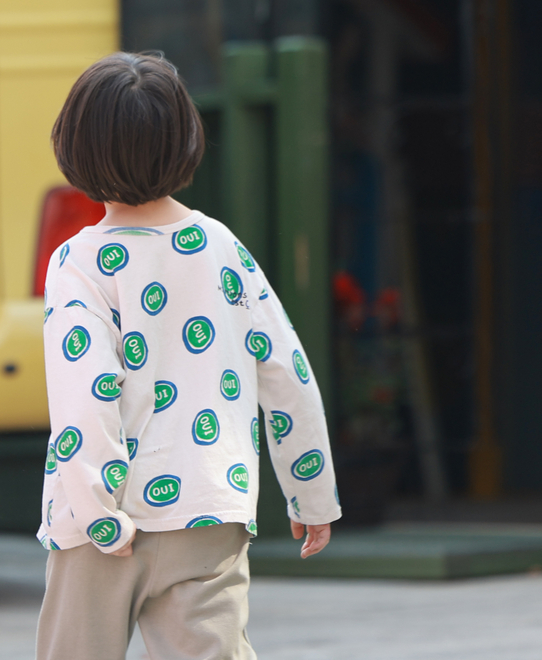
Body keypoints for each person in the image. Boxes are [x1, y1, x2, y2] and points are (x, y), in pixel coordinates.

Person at [34, 52, 340, 660]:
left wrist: (98, 513)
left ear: (74, 148)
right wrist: (311, 492)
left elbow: (85, 394)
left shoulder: (78, 262)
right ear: (187, 142)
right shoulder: (221, 247)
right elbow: (285, 372)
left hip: (102, 527)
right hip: (207, 506)